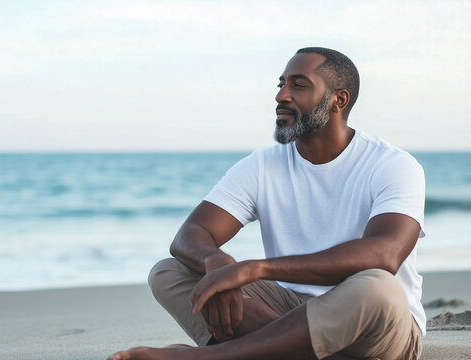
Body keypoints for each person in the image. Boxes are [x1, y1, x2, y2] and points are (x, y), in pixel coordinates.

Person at [109, 47, 426, 360]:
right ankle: (289, 348)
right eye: (282, 84)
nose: (281, 96)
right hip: (288, 307)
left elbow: (384, 254)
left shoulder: (393, 164)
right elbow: (191, 233)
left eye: (298, 85)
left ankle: (207, 357)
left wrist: (255, 269)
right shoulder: (263, 165)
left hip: (375, 324)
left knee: (377, 288)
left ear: (338, 101)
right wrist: (214, 261)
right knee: (170, 272)